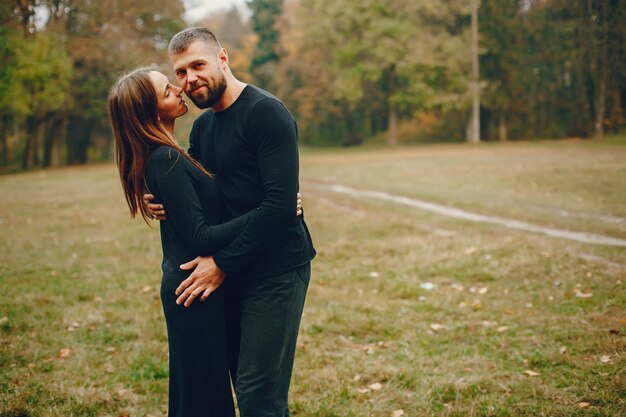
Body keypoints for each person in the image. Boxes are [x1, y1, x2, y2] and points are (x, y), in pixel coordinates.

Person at [108, 68, 302, 417]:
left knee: (205, 395)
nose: (179, 86)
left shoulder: (174, 153)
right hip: (194, 285)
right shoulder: (166, 157)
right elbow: (201, 234)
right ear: (151, 111)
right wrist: (273, 209)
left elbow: (206, 202)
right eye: (168, 88)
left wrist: (277, 206)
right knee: (204, 399)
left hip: (199, 284)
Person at [144, 28, 316, 416]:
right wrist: (153, 198)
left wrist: (221, 264)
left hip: (276, 269)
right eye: (181, 72)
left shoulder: (266, 112)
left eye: (198, 65)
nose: (190, 80)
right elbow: (193, 188)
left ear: (223, 58)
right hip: (235, 269)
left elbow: (278, 207)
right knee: (242, 381)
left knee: (258, 394)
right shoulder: (203, 128)